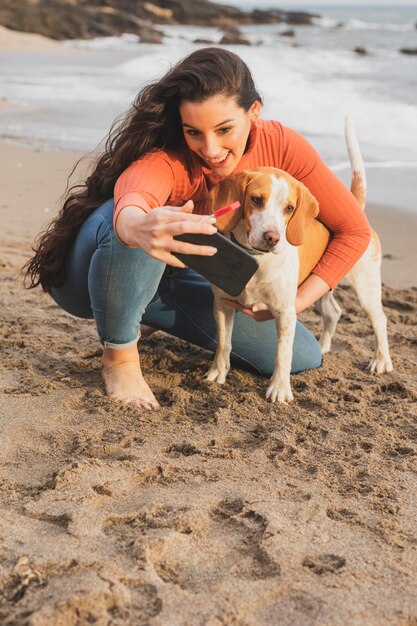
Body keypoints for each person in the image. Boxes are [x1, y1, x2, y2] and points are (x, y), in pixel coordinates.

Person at [24, 47, 371, 410]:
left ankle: (143, 307)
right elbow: (136, 194)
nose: (211, 149)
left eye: (224, 130)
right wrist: (135, 224)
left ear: (253, 112)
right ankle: (120, 357)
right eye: (194, 132)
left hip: (180, 275)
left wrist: (296, 302)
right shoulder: (171, 157)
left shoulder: (280, 146)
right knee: (146, 219)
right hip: (92, 277)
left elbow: (354, 231)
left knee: (302, 355)